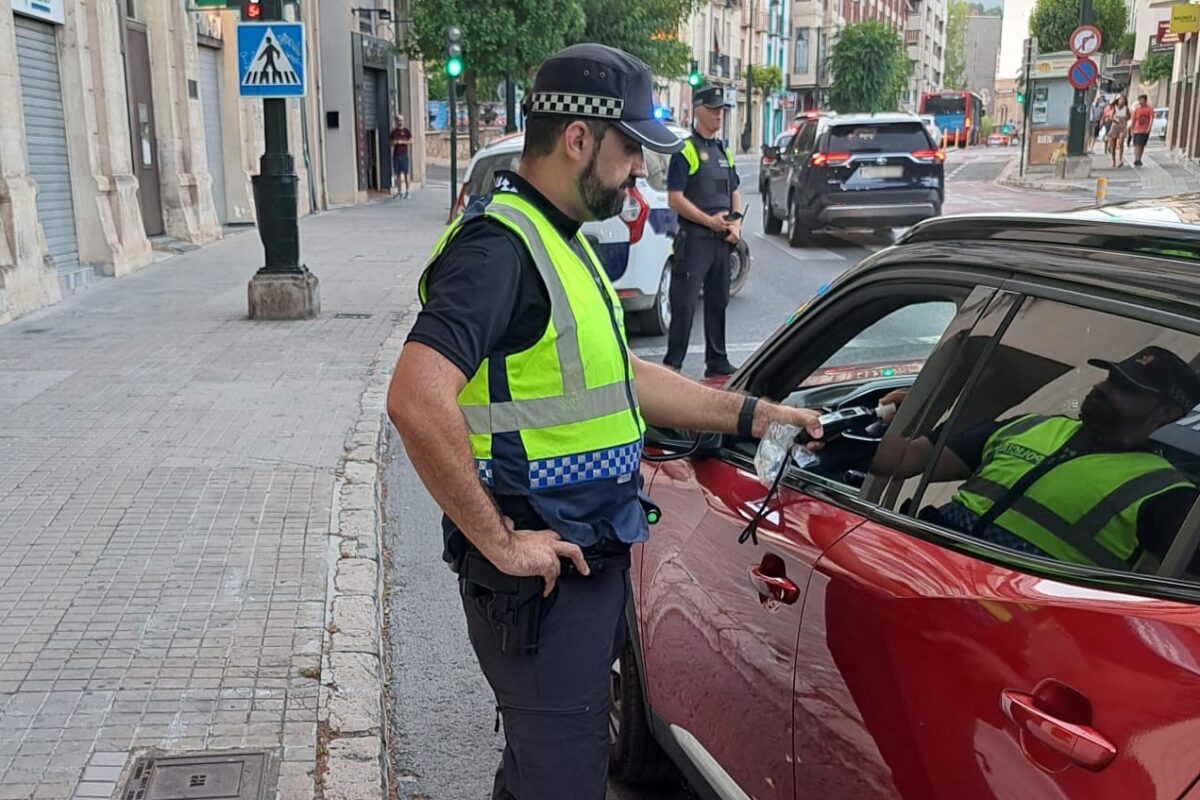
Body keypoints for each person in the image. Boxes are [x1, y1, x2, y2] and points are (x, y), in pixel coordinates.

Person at [386, 43, 822, 800]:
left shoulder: (559, 239)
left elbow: (626, 379)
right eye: (629, 152)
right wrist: (500, 540)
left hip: (579, 563)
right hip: (540, 581)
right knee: (560, 779)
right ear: (578, 138)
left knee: (538, 775)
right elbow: (415, 395)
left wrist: (754, 415)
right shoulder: (499, 248)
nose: (639, 173)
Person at [871, 347, 1200, 572]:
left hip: (1012, 627)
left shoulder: (1168, 495)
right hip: (923, 569)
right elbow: (912, 457)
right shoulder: (1033, 425)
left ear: (1167, 413)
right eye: (1111, 378)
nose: (1104, 389)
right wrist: (847, 438)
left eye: (1127, 388)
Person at [662, 82, 742, 377]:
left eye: (721, 110)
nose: (719, 115)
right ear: (698, 111)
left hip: (722, 241)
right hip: (695, 240)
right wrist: (708, 221)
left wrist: (737, 225)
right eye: (712, 110)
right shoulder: (685, 150)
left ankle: (717, 361)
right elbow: (675, 198)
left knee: (718, 302)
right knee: (684, 305)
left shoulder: (724, 151)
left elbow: (734, 190)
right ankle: (672, 367)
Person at [390, 114, 413, 198]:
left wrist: (402, 142)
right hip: (396, 155)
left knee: (406, 173)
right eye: (399, 120)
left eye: (402, 120)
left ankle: (408, 191)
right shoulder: (393, 132)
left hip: (404, 155)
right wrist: (394, 142)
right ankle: (400, 191)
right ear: (396, 121)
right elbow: (391, 143)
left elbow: (411, 141)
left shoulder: (406, 131)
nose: (401, 122)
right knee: (397, 174)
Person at [1130, 94, 1155, 167]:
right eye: (1139, 100)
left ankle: (1139, 158)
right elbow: (1133, 120)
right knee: (1137, 144)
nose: (1140, 102)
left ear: (1145, 100)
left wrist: (1149, 128)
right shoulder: (1137, 110)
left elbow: (1151, 119)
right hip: (1137, 130)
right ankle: (1136, 159)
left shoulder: (1149, 109)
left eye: (1142, 100)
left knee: (1142, 145)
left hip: (1145, 130)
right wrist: (1132, 129)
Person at [1108, 96, 1129, 168]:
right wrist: (1115, 120)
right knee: (1113, 144)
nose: (1122, 101)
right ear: (1118, 101)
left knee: (1121, 141)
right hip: (1115, 126)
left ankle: (1120, 159)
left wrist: (1126, 118)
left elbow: (1129, 116)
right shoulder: (1115, 108)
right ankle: (1113, 161)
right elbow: (1110, 117)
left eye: (1123, 100)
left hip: (1122, 126)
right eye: (1120, 100)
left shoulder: (1126, 108)